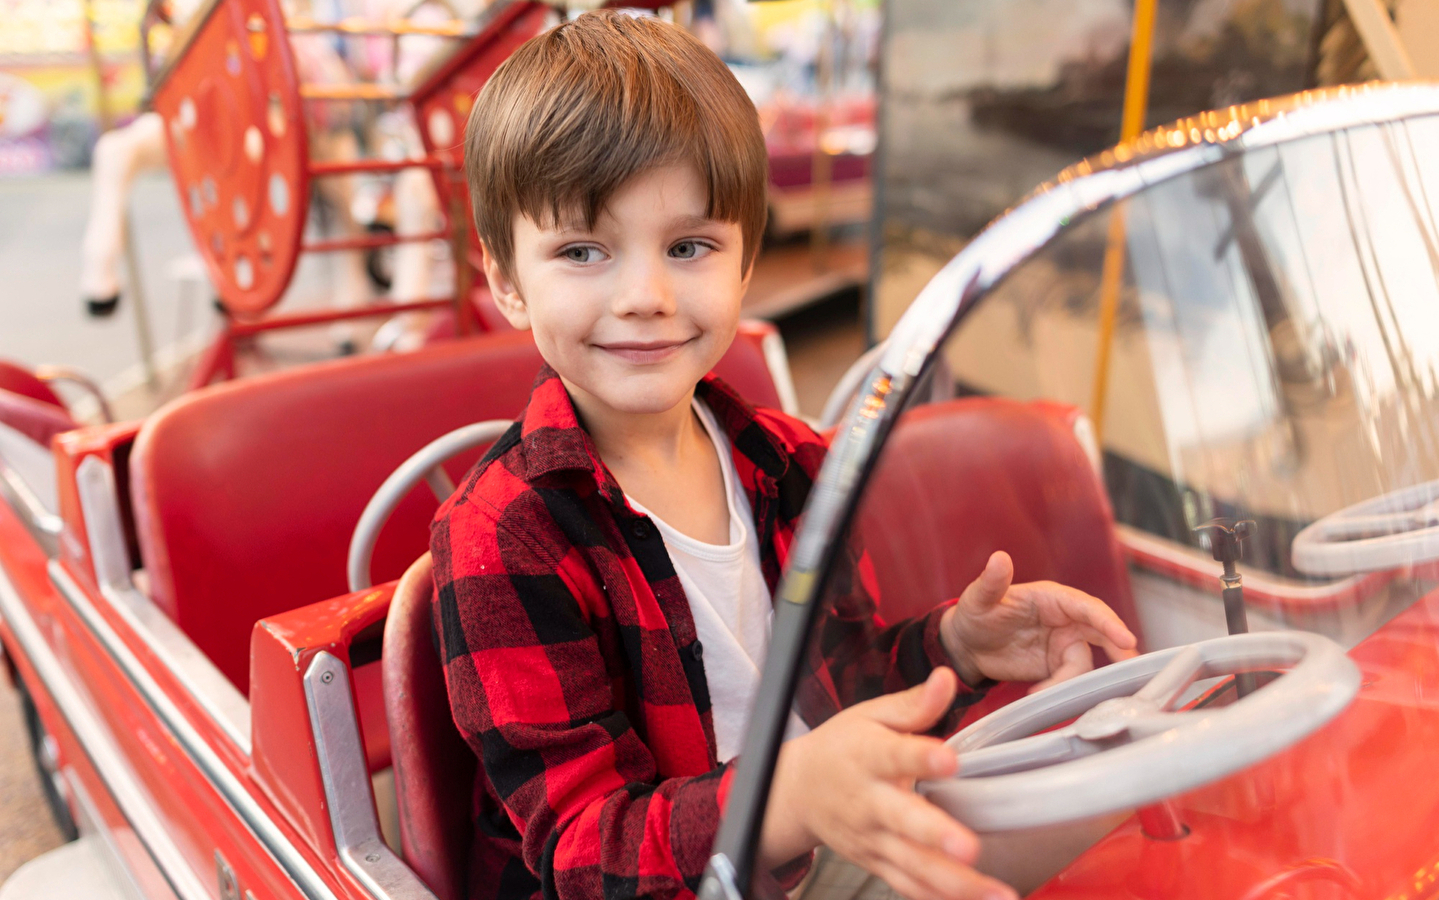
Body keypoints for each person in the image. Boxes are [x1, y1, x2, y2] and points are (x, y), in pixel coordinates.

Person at [430, 12, 1137, 900]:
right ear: (504, 280)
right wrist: (789, 795)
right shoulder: (504, 535)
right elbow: (578, 849)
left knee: (1123, 808)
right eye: (582, 251)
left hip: (804, 855)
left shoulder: (792, 465)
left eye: (689, 247)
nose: (644, 296)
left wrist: (958, 646)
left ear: (745, 260)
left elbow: (842, 682)